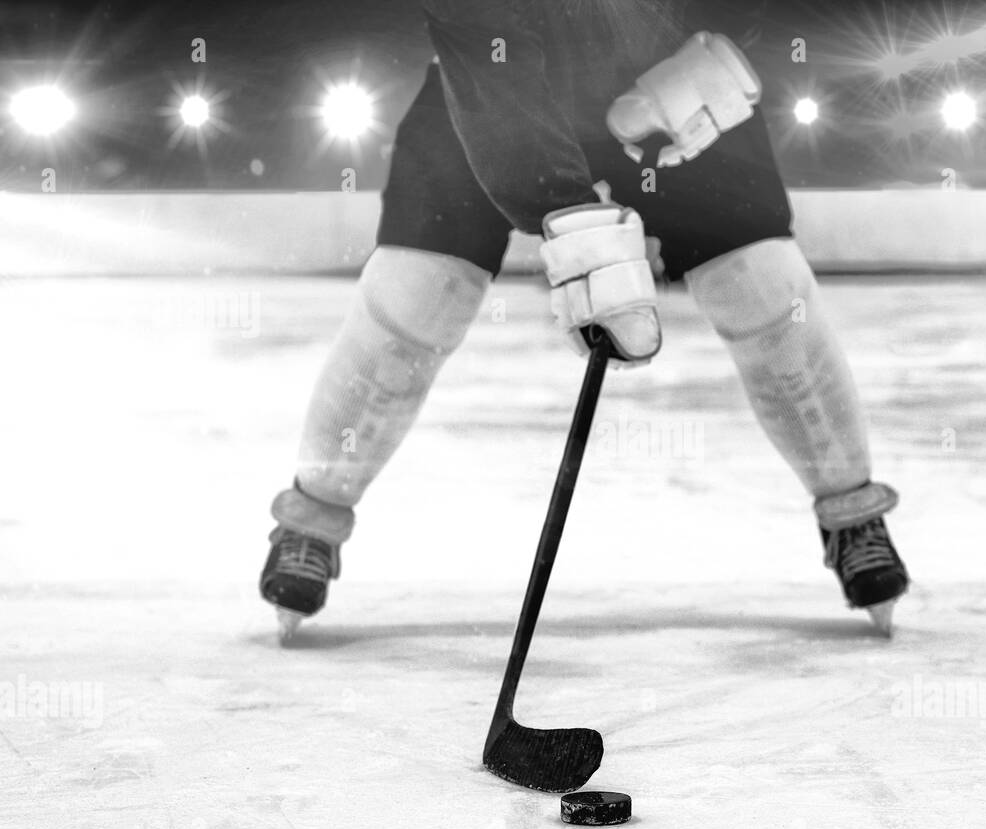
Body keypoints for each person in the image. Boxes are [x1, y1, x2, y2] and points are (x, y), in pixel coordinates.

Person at [260, 0, 908, 639]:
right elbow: (493, 60)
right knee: (415, 298)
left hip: (673, 82)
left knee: (766, 289)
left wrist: (730, 50)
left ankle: (853, 515)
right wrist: (576, 224)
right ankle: (311, 519)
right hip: (497, 102)